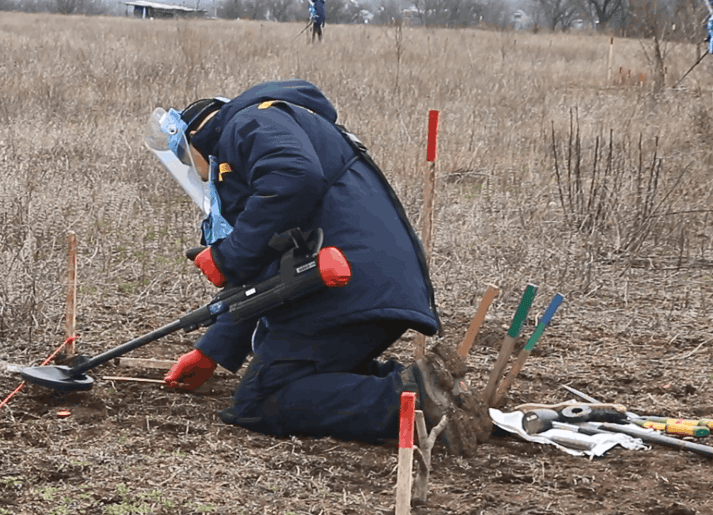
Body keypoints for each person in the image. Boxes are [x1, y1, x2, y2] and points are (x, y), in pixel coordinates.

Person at [151, 79, 483, 456]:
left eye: (183, 156)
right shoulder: (266, 135)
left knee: (263, 398)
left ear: (196, 133)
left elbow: (295, 176)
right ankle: (430, 384)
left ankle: (414, 399)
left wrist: (229, 256)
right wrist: (212, 351)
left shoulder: (247, 123)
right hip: (363, 283)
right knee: (304, 380)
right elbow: (264, 273)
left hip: (346, 284)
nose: (193, 171)